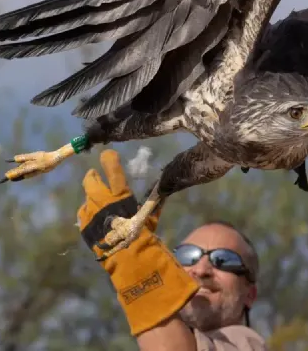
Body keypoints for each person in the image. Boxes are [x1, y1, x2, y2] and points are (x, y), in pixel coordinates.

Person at [77, 149, 266, 351]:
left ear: (250, 295)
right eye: (187, 256)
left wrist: (139, 270)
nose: (201, 270)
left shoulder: (246, 343)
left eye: (223, 260)